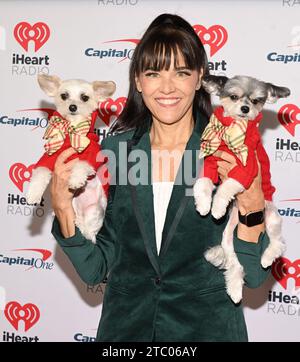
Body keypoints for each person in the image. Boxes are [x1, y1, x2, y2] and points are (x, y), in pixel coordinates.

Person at [51, 13, 271, 342]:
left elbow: (253, 276)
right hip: (125, 333)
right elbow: (95, 269)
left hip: (207, 332)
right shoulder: (117, 149)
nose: (167, 87)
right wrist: (63, 209)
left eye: (181, 72)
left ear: (199, 79)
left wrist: (253, 206)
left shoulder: (228, 151)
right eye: (153, 73)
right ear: (138, 81)